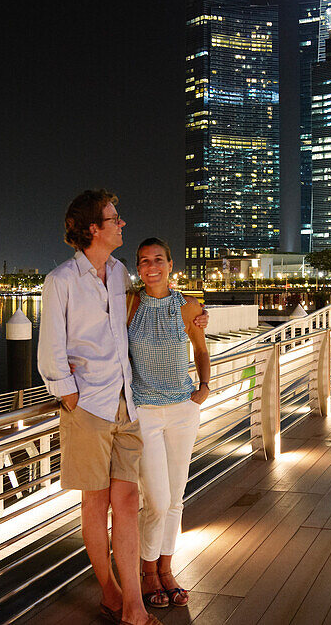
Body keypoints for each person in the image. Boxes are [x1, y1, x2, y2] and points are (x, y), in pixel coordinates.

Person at [37, 190, 159, 625]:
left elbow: (129, 325)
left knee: (128, 500)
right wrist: (70, 395)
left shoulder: (120, 272)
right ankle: (110, 592)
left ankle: (133, 606)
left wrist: (190, 316)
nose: (122, 223)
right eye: (114, 218)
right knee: (96, 502)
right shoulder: (62, 280)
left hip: (126, 403)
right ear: (93, 228)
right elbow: (50, 349)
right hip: (88, 405)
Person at [126, 238, 210, 609]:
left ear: (170, 264)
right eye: (144, 261)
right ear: (139, 268)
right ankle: (147, 572)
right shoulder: (128, 305)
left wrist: (203, 388)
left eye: (158, 259)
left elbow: (201, 349)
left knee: (176, 497)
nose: (151, 266)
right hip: (144, 412)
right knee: (156, 500)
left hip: (182, 409)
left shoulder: (189, 306)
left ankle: (166, 568)